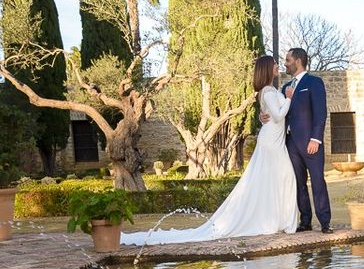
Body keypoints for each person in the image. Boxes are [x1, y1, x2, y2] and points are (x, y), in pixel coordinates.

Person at [121, 55, 298, 245]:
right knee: (286, 176)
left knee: (271, 180)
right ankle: (285, 223)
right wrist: (288, 98)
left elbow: (272, 114)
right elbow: (279, 116)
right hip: (271, 141)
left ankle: (276, 220)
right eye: (274, 64)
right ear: (267, 69)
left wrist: (265, 114)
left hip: (273, 139)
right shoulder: (269, 92)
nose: (277, 66)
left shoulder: (268, 91)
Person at [261, 48, 333, 234]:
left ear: (298, 61)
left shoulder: (314, 82)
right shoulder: (285, 88)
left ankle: (325, 222)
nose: (285, 63)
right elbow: (278, 112)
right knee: (298, 183)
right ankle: (305, 221)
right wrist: (263, 117)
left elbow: (320, 113)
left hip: (311, 143)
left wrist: (316, 139)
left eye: (288, 60)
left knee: (317, 181)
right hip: (290, 143)